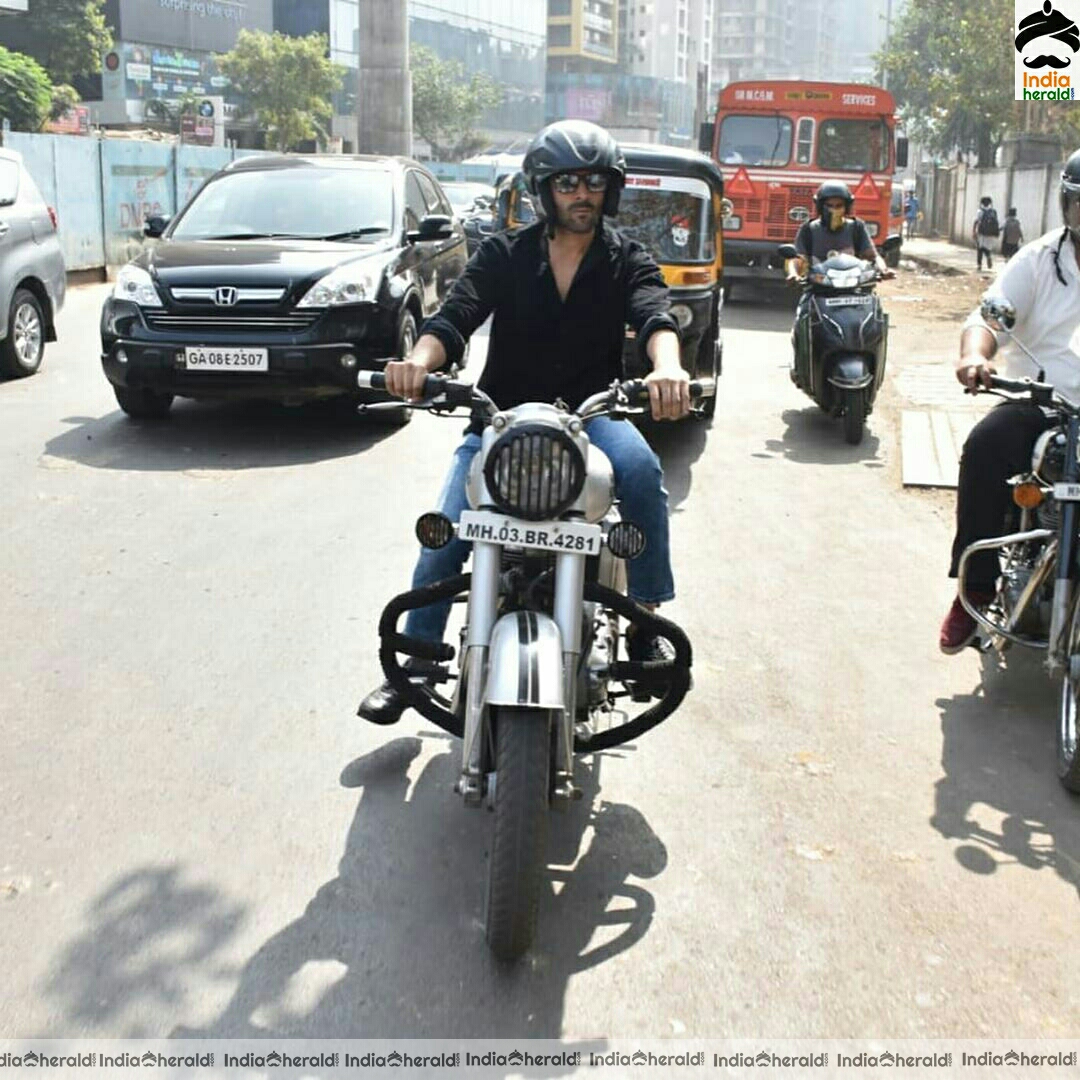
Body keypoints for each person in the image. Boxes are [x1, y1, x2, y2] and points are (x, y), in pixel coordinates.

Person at [358, 120, 690, 725]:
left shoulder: (628, 259)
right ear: (545, 189)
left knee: (642, 470)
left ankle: (646, 619)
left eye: (594, 182)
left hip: (592, 417)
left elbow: (654, 316)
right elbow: (455, 316)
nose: (581, 194)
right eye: (568, 183)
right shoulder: (505, 254)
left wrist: (667, 368)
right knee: (449, 524)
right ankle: (418, 663)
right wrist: (416, 364)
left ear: (609, 190)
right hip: (502, 417)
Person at [939, 149, 1080, 653]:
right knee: (986, 445)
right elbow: (987, 319)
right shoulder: (1040, 259)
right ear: (1067, 205)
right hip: (1045, 406)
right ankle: (974, 588)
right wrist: (974, 357)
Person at [785, 181, 894, 386]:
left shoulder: (856, 227)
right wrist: (793, 273)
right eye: (830, 206)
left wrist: (883, 269)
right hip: (819, 290)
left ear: (847, 207)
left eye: (839, 205)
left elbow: (872, 256)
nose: (834, 210)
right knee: (801, 319)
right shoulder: (809, 230)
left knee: (876, 317)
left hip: (854, 290)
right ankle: (801, 366)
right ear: (820, 207)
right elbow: (797, 258)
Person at [973, 195, 1000, 271]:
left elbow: (976, 221)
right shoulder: (993, 212)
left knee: (980, 249)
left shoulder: (980, 211)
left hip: (981, 233)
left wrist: (974, 231)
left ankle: (979, 265)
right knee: (987, 248)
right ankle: (988, 256)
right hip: (991, 234)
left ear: (982, 203)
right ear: (989, 203)